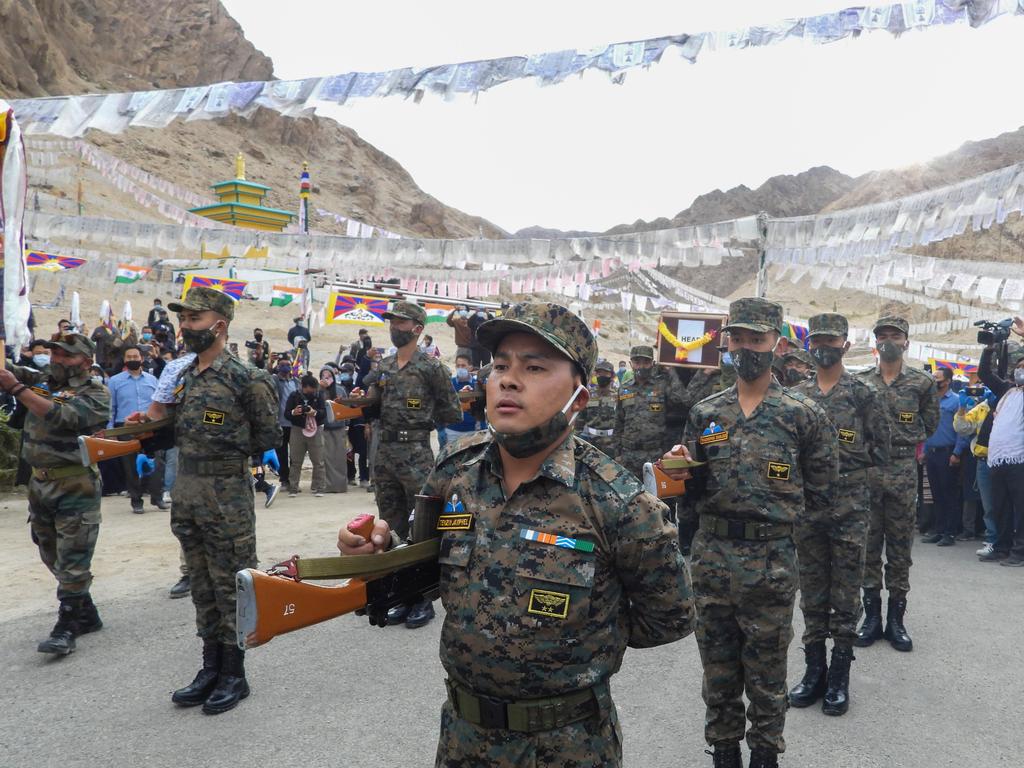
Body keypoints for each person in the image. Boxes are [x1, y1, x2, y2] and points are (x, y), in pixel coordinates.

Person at [337, 301, 694, 767]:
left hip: (568, 747)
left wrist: (582, 637)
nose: (508, 379)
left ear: (579, 398)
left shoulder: (620, 504)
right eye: (500, 365)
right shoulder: (453, 474)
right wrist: (373, 555)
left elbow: (668, 618)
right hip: (463, 739)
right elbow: (424, 570)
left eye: (535, 367)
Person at [663, 297, 838, 768]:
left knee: (766, 669)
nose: (745, 348)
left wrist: (783, 533)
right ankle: (723, 751)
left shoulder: (802, 414)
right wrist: (678, 473)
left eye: (756, 339)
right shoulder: (706, 412)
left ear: (777, 344)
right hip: (712, 556)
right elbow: (691, 487)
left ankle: (765, 754)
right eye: (737, 338)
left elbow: (823, 493)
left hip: (771, 561)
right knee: (717, 668)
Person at [136, 285, 280, 715]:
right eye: (183, 319)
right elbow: (175, 428)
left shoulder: (247, 378)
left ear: (219, 324)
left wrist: (228, 451)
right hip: (188, 494)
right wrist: (144, 435)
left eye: (193, 319)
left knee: (230, 585)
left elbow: (265, 435)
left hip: (226, 496)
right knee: (201, 584)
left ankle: (235, 672)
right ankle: (209, 666)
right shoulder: (184, 376)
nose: (184, 327)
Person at [786, 313, 890, 717]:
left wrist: (841, 466)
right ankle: (814, 670)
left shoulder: (864, 394)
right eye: (817, 340)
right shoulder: (798, 394)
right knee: (812, 591)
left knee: (844, 594)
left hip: (850, 509)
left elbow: (881, 449)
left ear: (846, 345)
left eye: (831, 341)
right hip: (807, 511)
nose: (823, 347)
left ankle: (840, 676)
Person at [350, 301, 461, 628]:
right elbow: (370, 402)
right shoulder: (382, 367)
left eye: (400, 322)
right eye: (391, 322)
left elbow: (452, 412)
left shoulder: (431, 368)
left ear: (416, 328)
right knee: (391, 523)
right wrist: (365, 402)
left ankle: (422, 598)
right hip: (384, 452)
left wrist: (421, 419)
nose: (393, 327)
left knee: (421, 526)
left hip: (415, 452)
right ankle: (401, 594)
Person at [0, 332, 111, 656]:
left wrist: (16, 389)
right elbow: (11, 371)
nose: (58, 360)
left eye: (66, 355)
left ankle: (67, 625)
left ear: (86, 361)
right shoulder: (43, 380)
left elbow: (65, 417)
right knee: (50, 552)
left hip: (75, 484)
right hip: (41, 484)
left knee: (74, 558)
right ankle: (85, 610)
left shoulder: (95, 393)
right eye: (55, 353)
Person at [854, 315, 939, 653]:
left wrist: (903, 440)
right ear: (875, 342)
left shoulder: (922, 383)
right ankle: (871, 618)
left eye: (894, 335)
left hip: (903, 472)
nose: (888, 340)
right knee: (869, 548)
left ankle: (896, 619)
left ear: (907, 340)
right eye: (882, 335)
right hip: (868, 473)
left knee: (901, 548)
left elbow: (930, 424)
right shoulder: (861, 382)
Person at [977, 319, 1024, 566]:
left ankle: (1020, 552)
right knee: (1001, 506)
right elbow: (985, 374)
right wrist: (990, 347)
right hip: (998, 458)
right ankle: (1002, 546)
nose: (1020, 370)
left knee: (1021, 509)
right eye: (1019, 366)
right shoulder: (1007, 389)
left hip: (1020, 460)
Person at [108, 345, 167, 513]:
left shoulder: (152, 380)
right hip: (125, 428)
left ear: (141, 359)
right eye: (129, 357)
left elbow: (158, 406)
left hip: (149, 426)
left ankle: (157, 497)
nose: (133, 359)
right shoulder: (115, 381)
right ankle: (136, 500)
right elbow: (111, 408)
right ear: (125, 360)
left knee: (158, 462)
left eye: (136, 356)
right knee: (130, 465)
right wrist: (111, 430)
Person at [613, 344, 687, 479]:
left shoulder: (662, 385)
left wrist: (671, 372)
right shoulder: (624, 388)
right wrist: (617, 454)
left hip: (655, 454)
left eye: (646, 362)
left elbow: (682, 400)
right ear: (631, 364)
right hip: (628, 455)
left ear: (653, 364)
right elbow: (619, 422)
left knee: (654, 497)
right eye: (637, 362)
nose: (641, 366)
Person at [920, 367, 969, 546]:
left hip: (948, 453)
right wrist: (924, 450)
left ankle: (950, 533)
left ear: (947, 381)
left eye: (937, 378)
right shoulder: (931, 401)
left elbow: (961, 430)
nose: (934, 381)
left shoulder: (956, 401)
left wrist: (957, 452)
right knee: (936, 495)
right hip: (932, 453)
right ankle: (939, 530)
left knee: (949, 494)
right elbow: (928, 427)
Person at [284, 374, 327, 497]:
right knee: (295, 461)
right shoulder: (294, 396)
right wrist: (294, 412)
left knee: (318, 461)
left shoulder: (319, 396)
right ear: (304, 387)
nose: (312, 391)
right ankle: (293, 488)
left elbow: (324, 413)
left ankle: (319, 487)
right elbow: (286, 414)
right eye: (310, 388)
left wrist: (315, 413)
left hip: (316, 429)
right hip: (298, 429)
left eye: (314, 388)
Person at [575, 359, 617, 456]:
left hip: (610, 442)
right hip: (589, 440)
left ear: (612, 375)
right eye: (599, 373)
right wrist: (577, 438)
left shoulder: (618, 395)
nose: (601, 376)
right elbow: (581, 418)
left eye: (605, 373)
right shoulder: (588, 393)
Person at [318, 367, 349, 493]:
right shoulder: (319, 390)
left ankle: (341, 486)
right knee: (327, 458)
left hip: (340, 427)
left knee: (340, 458)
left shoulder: (340, 390)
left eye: (329, 375)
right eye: (323, 375)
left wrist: (347, 425)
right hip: (325, 428)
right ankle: (328, 486)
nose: (326, 378)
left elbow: (346, 407)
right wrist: (320, 389)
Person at [339, 361, 370, 488]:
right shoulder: (338, 388)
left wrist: (366, 423)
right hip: (345, 425)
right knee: (348, 451)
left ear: (352, 373)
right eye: (342, 372)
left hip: (358, 424)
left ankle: (364, 477)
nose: (343, 374)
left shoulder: (357, 387)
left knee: (363, 452)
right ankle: (350, 476)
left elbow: (365, 406)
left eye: (346, 372)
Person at [443, 353, 482, 443]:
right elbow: (440, 405)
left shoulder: (478, 384)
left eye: (463, 365)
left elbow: (483, 407)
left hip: (473, 432)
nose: (460, 368)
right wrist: (441, 429)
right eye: (458, 365)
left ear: (470, 367)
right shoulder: (449, 383)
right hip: (452, 431)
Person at [273, 360, 298, 491]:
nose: (285, 367)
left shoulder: (296, 382)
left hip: (294, 423)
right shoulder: (275, 381)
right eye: (282, 364)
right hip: (280, 423)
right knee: (281, 453)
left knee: (295, 454)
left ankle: (294, 480)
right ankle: (284, 479)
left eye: (288, 364)